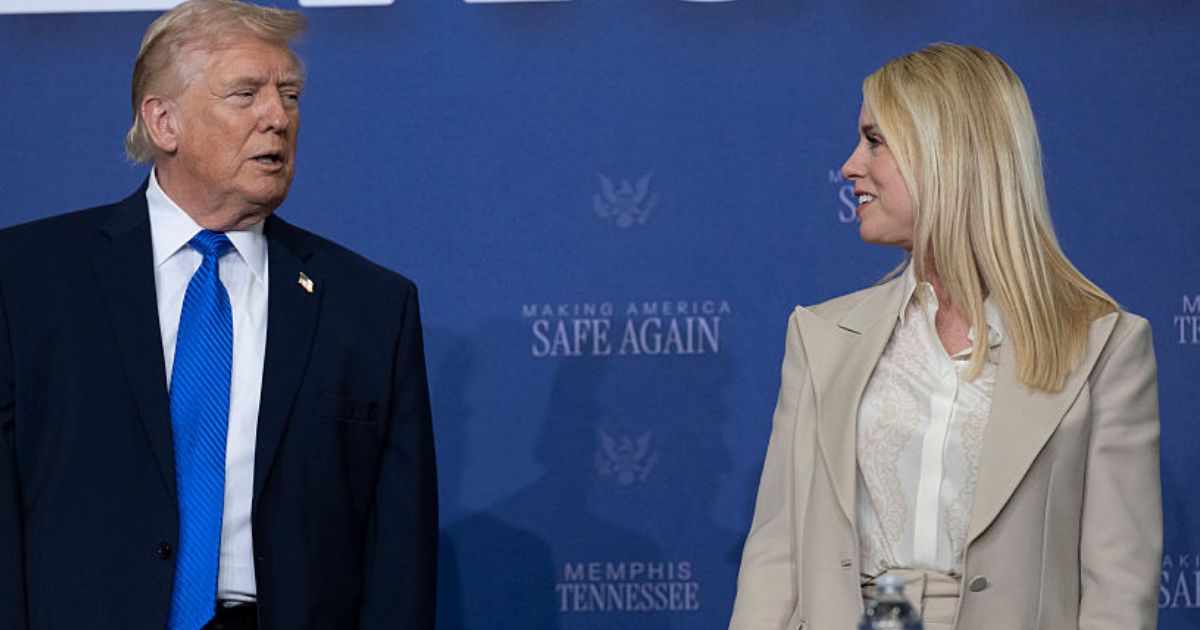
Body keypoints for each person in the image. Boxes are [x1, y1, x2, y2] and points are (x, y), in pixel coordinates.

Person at [0, 1, 437, 628]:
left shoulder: (369, 305)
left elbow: (400, 548)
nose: (277, 118)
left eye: (289, 94)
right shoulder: (27, 280)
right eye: (245, 94)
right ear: (163, 122)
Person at [730, 43, 1161, 630]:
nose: (851, 166)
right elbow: (775, 558)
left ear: (946, 154)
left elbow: (1118, 583)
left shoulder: (1103, 348)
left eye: (874, 141)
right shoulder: (822, 336)